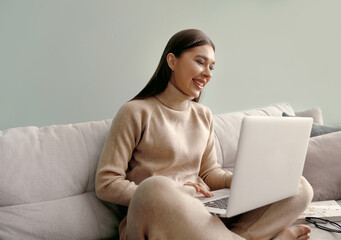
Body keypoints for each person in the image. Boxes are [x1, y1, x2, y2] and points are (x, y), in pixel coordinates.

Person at [95, 29, 314, 240]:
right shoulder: (135, 111)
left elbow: (209, 173)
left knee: (298, 185)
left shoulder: (203, 115)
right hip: (158, 215)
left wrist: (240, 181)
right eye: (200, 62)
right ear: (172, 61)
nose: (207, 73)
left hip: (205, 215)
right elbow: (107, 183)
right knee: (155, 187)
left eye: (211, 66)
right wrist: (177, 192)